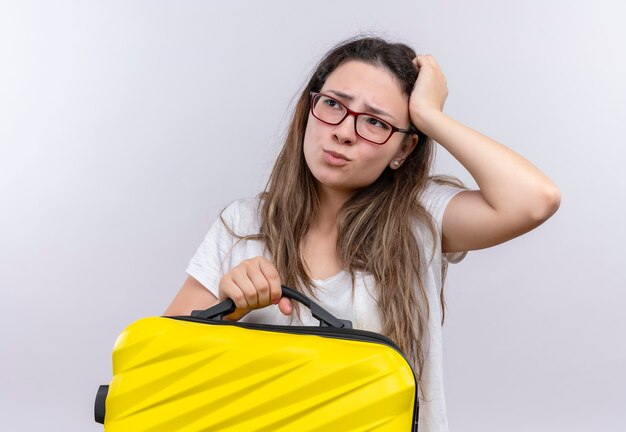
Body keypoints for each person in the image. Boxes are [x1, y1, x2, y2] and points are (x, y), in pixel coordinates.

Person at [164, 36, 560, 431]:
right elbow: (162, 368)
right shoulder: (244, 224)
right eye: (334, 104)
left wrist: (428, 114)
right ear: (308, 110)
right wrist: (227, 312)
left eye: (375, 122)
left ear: (403, 150)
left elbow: (534, 200)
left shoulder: (420, 218)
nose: (344, 132)